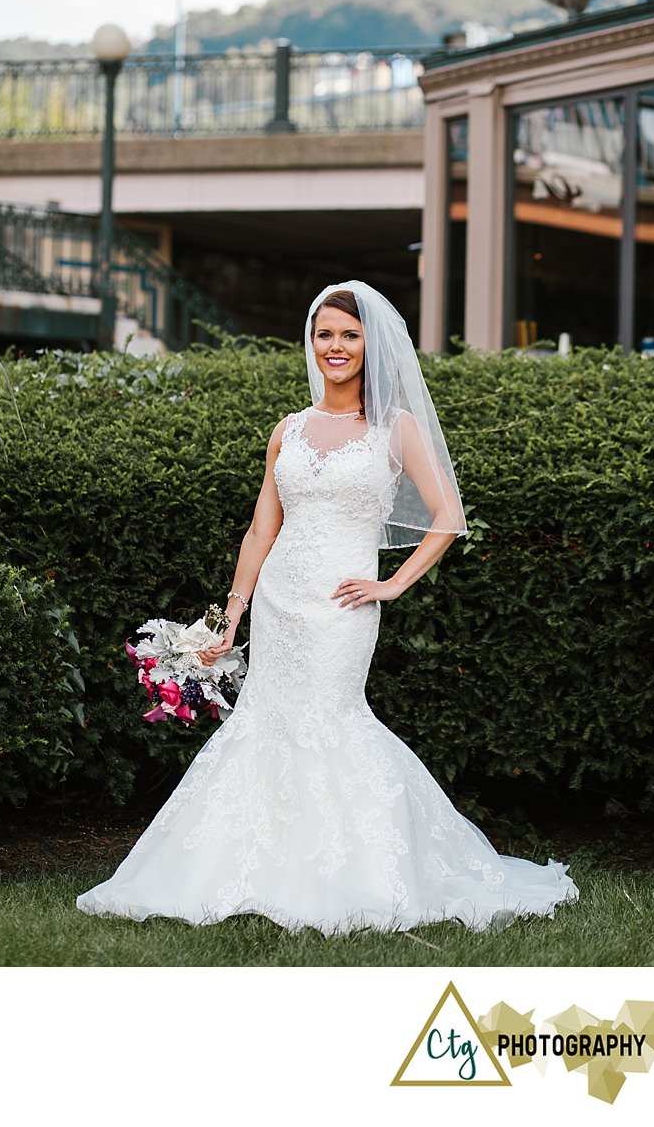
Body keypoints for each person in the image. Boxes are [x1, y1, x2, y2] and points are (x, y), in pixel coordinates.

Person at [77, 281, 576, 934]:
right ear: (310, 343)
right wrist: (229, 617)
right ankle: (247, 870)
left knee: (332, 722)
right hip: (280, 603)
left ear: (369, 344)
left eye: (349, 334)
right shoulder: (287, 430)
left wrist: (392, 584)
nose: (335, 346)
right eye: (325, 334)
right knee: (264, 724)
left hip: (341, 612)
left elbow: (448, 515)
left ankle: (353, 873)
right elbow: (261, 531)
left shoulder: (395, 427)